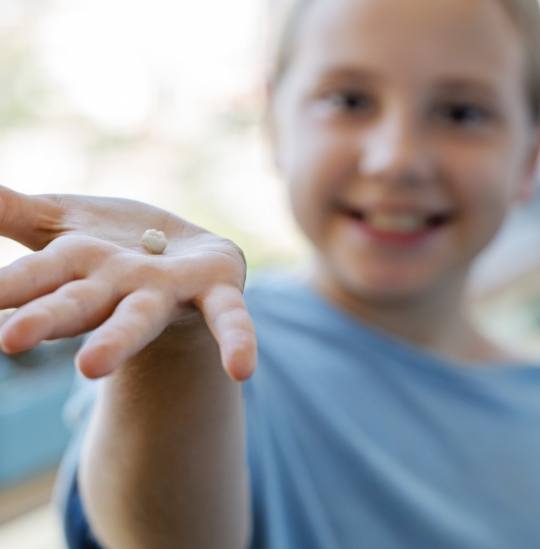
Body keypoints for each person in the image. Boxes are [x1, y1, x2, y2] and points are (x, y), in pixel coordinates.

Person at [2, 0, 540, 546]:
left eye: (461, 114)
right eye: (348, 100)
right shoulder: (222, 344)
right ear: (274, 125)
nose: (395, 159)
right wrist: (180, 346)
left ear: (529, 159)